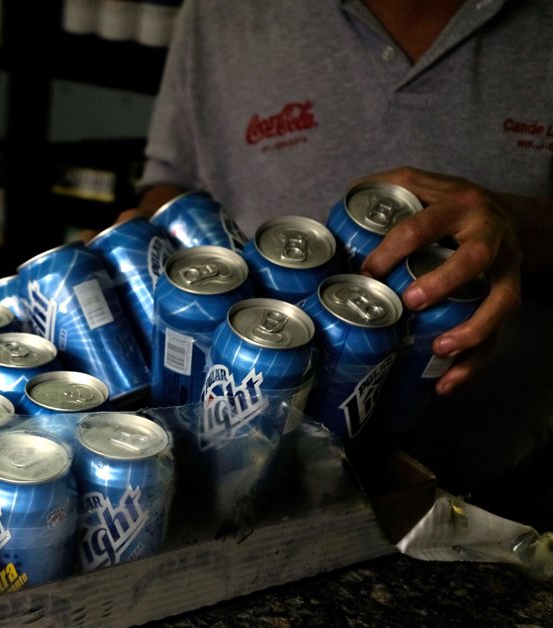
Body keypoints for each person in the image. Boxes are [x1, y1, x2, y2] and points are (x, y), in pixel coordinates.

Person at [123, 0, 553, 522]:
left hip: (504, 482)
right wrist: (132, 244)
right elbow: (173, 184)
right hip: (243, 491)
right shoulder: (220, 13)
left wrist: (520, 224)